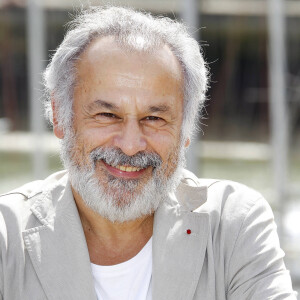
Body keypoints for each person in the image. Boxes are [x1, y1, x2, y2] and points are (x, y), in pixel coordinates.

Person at [0, 6, 297, 300]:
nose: (130, 145)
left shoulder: (234, 224)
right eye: (107, 114)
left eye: (154, 119)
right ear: (60, 116)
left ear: (186, 130)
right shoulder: (7, 236)